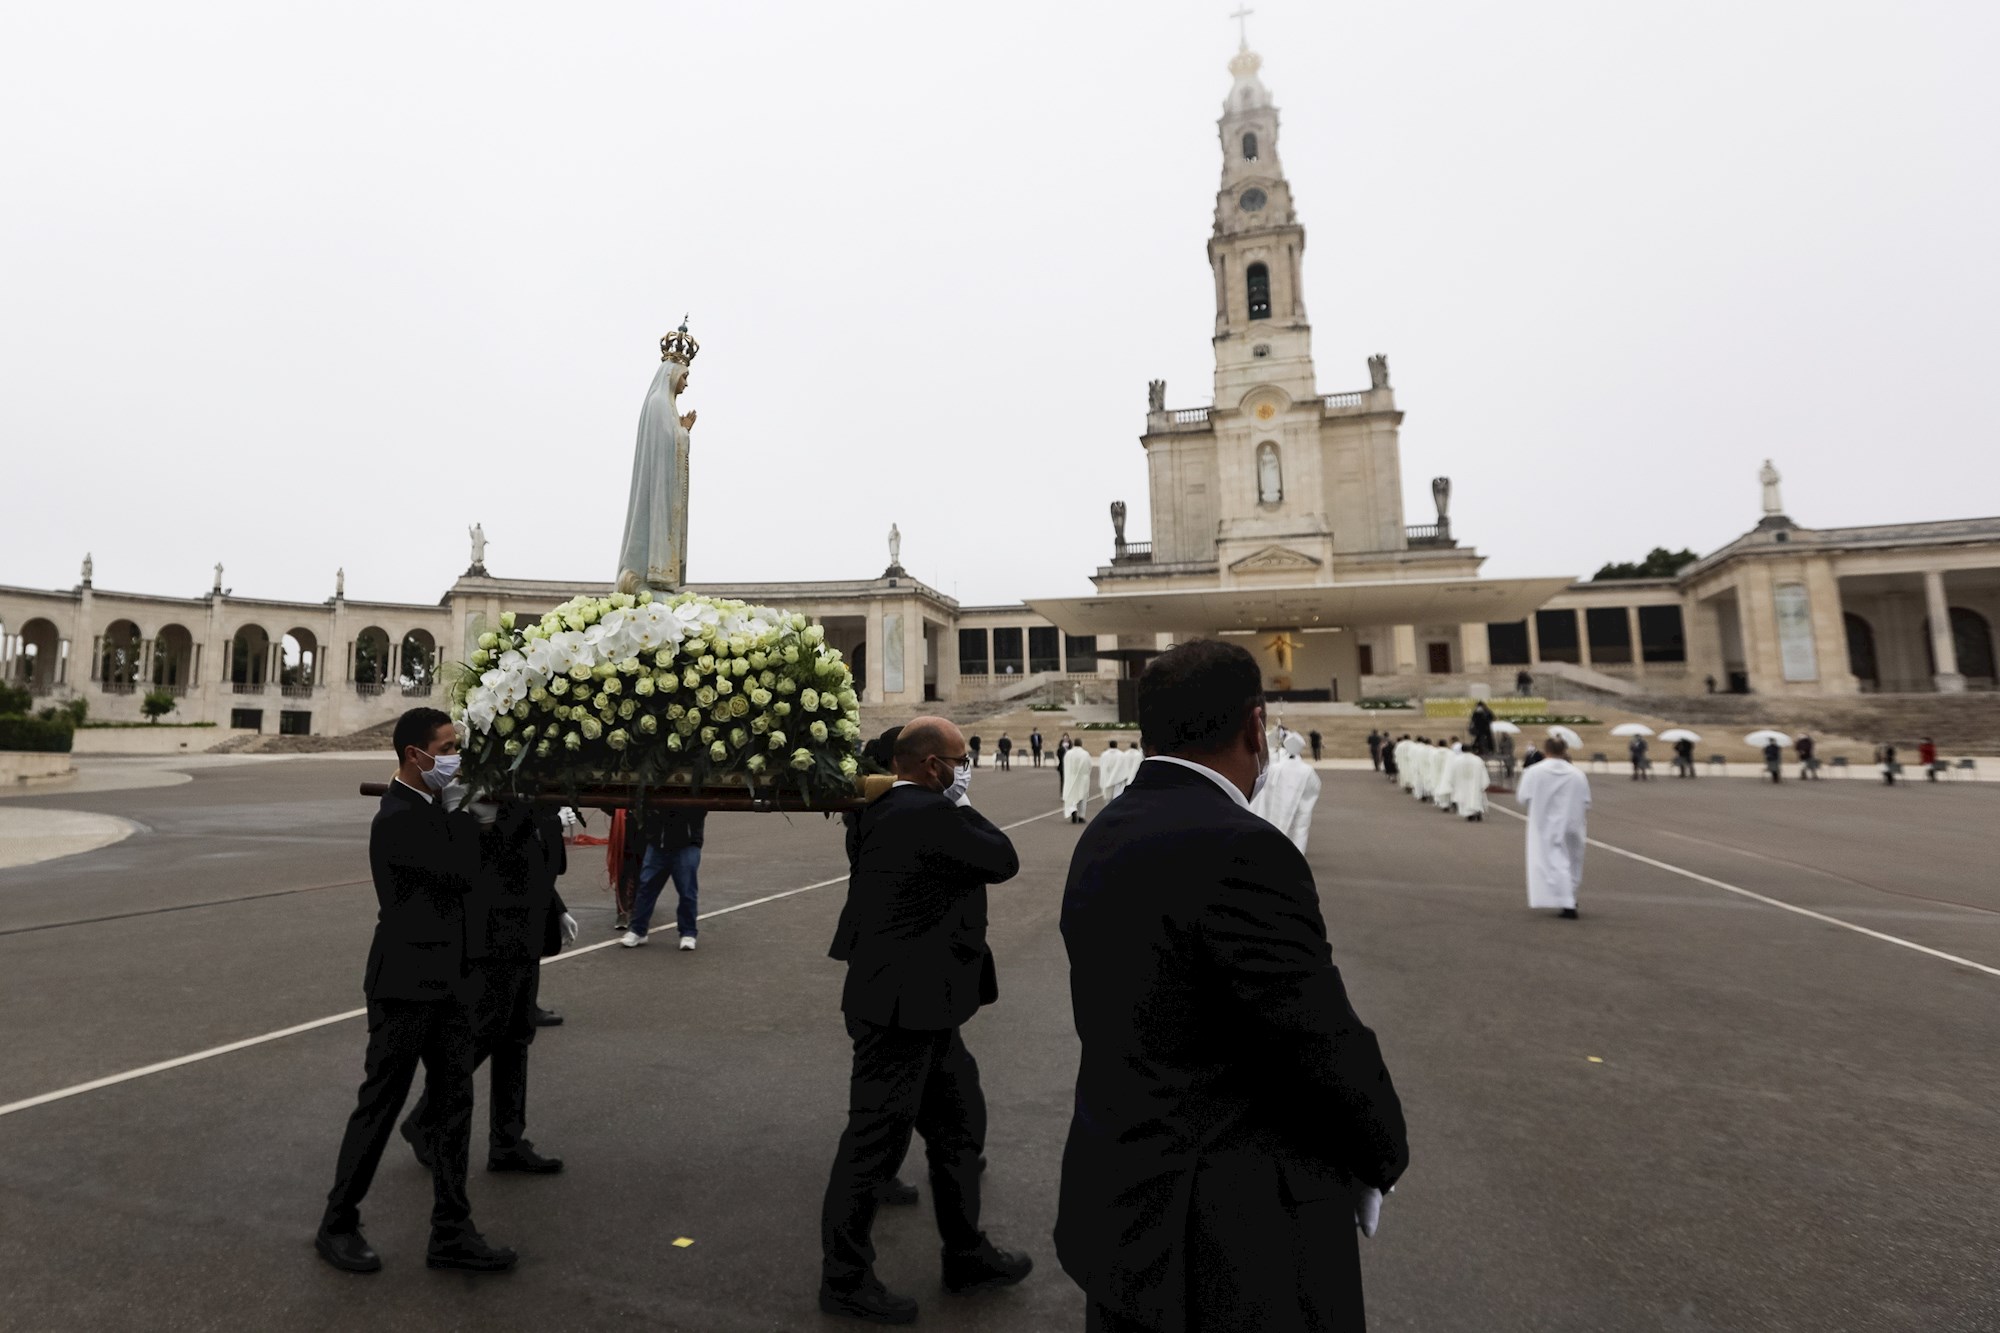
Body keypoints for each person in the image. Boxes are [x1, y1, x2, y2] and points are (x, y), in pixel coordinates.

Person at [1056, 640, 1407, 1333]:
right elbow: (1313, 1032)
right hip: (1223, 1236)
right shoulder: (1243, 846)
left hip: (1119, 1198)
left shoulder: (1104, 831)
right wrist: (1382, 1148)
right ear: (1255, 726)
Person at [819, 717, 1032, 1324]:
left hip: (922, 1005)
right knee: (872, 1149)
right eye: (960, 760)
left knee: (960, 1127)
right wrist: (962, 805)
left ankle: (966, 1253)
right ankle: (844, 1279)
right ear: (933, 767)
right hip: (900, 1011)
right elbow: (1003, 858)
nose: (967, 768)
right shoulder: (929, 815)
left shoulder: (881, 810)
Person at [317, 708, 516, 1276]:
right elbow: (463, 871)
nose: (455, 757)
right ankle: (337, 1223)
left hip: (449, 981)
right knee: (379, 1107)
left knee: (455, 1105)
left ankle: (452, 1230)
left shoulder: (431, 806)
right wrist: (469, 812)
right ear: (415, 756)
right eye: (447, 748)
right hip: (404, 985)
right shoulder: (398, 818)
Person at [403, 800, 575, 1178]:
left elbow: (544, 863)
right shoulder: (487, 796)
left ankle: (508, 1142)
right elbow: (498, 853)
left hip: (525, 932)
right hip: (494, 934)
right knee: (483, 1034)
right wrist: (548, 820)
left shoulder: (525, 798)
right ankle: (425, 1119)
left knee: (516, 1037)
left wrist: (555, 906)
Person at [1516, 735, 1590, 919]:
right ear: (1565, 750)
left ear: (1546, 750)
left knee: (1553, 862)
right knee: (1572, 861)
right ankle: (1569, 896)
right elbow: (1586, 801)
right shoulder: (1577, 774)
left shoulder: (1534, 772)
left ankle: (1567, 901)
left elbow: (1522, 797)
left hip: (1544, 824)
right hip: (1572, 823)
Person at [621, 807, 705, 950]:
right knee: (646, 887)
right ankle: (638, 930)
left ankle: (688, 932)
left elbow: (701, 809)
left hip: (687, 843)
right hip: (657, 842)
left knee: (687, 890)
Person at [1250, 731, 1322, 852]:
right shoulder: (1307, 770)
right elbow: (1315, 786)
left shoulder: (1276, 768)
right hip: (1299, 805)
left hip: (1275, 803)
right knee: (1298, 829)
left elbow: (1266, 785)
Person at [1447, 744, 1490, 821]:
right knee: (1475, 797)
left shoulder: (1456, 760)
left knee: (1464, 798)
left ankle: (1469, 814)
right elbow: (1483, 773)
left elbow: (1451, 773)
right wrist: (1483, 784)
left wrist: (1453, 783)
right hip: (1475, 785)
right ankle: (1476, 812)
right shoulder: (1477, 760)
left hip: (1461, 785)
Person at [1062, 739, 1094, 823]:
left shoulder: (1068, 753)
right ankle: (1081, 816)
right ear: (1081, 744)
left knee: (1072, 795)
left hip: (1071, 777)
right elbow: (1089, 765)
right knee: (1082, 797)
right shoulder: (1085, 754)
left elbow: (1066, 765)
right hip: (1083, 777)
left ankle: (1073, 810)